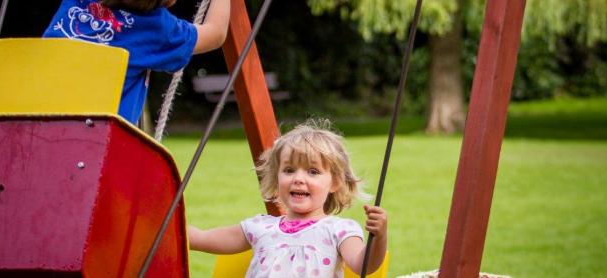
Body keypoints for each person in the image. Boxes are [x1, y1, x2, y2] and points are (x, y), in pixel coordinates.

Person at [188, 119, 388, 277]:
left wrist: (379, 237)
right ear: (277, 177)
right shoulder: (259, 227)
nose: (298, 179)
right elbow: (198, 238)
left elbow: (365, 266)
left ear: (334, 183)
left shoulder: (339, 230)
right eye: (289, 170)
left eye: (312, 171)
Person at [43, 0, 230, 124]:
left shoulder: (74, 3)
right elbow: (215, 33)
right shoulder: (156, 29)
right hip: (105, 151)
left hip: (36, 135)